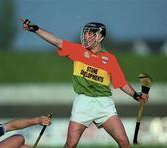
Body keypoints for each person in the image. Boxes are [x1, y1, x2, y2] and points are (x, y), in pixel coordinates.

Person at [21, 19, 149, 148]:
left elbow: (121, 82)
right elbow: (56, 41)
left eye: (90, 33)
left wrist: (135, 95)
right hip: (83, 102)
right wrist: (36, 29)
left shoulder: (110, 59)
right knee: (71, 144)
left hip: (104, 104)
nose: (86, 36)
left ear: (100, 36)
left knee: (124, 143)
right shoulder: (78, 50)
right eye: (86, 33)